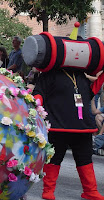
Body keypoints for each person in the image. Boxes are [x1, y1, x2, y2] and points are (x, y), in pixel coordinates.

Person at [33, 68, 104, 200]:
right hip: (58, 124)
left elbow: (90, 92)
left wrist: (102, 77)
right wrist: (37, 108)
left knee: (85, 158)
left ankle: (90, 190)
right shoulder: (49, 75)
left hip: (81, 126)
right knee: (54, 158)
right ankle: (48, 189)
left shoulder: (80, 75)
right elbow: (39, 92)